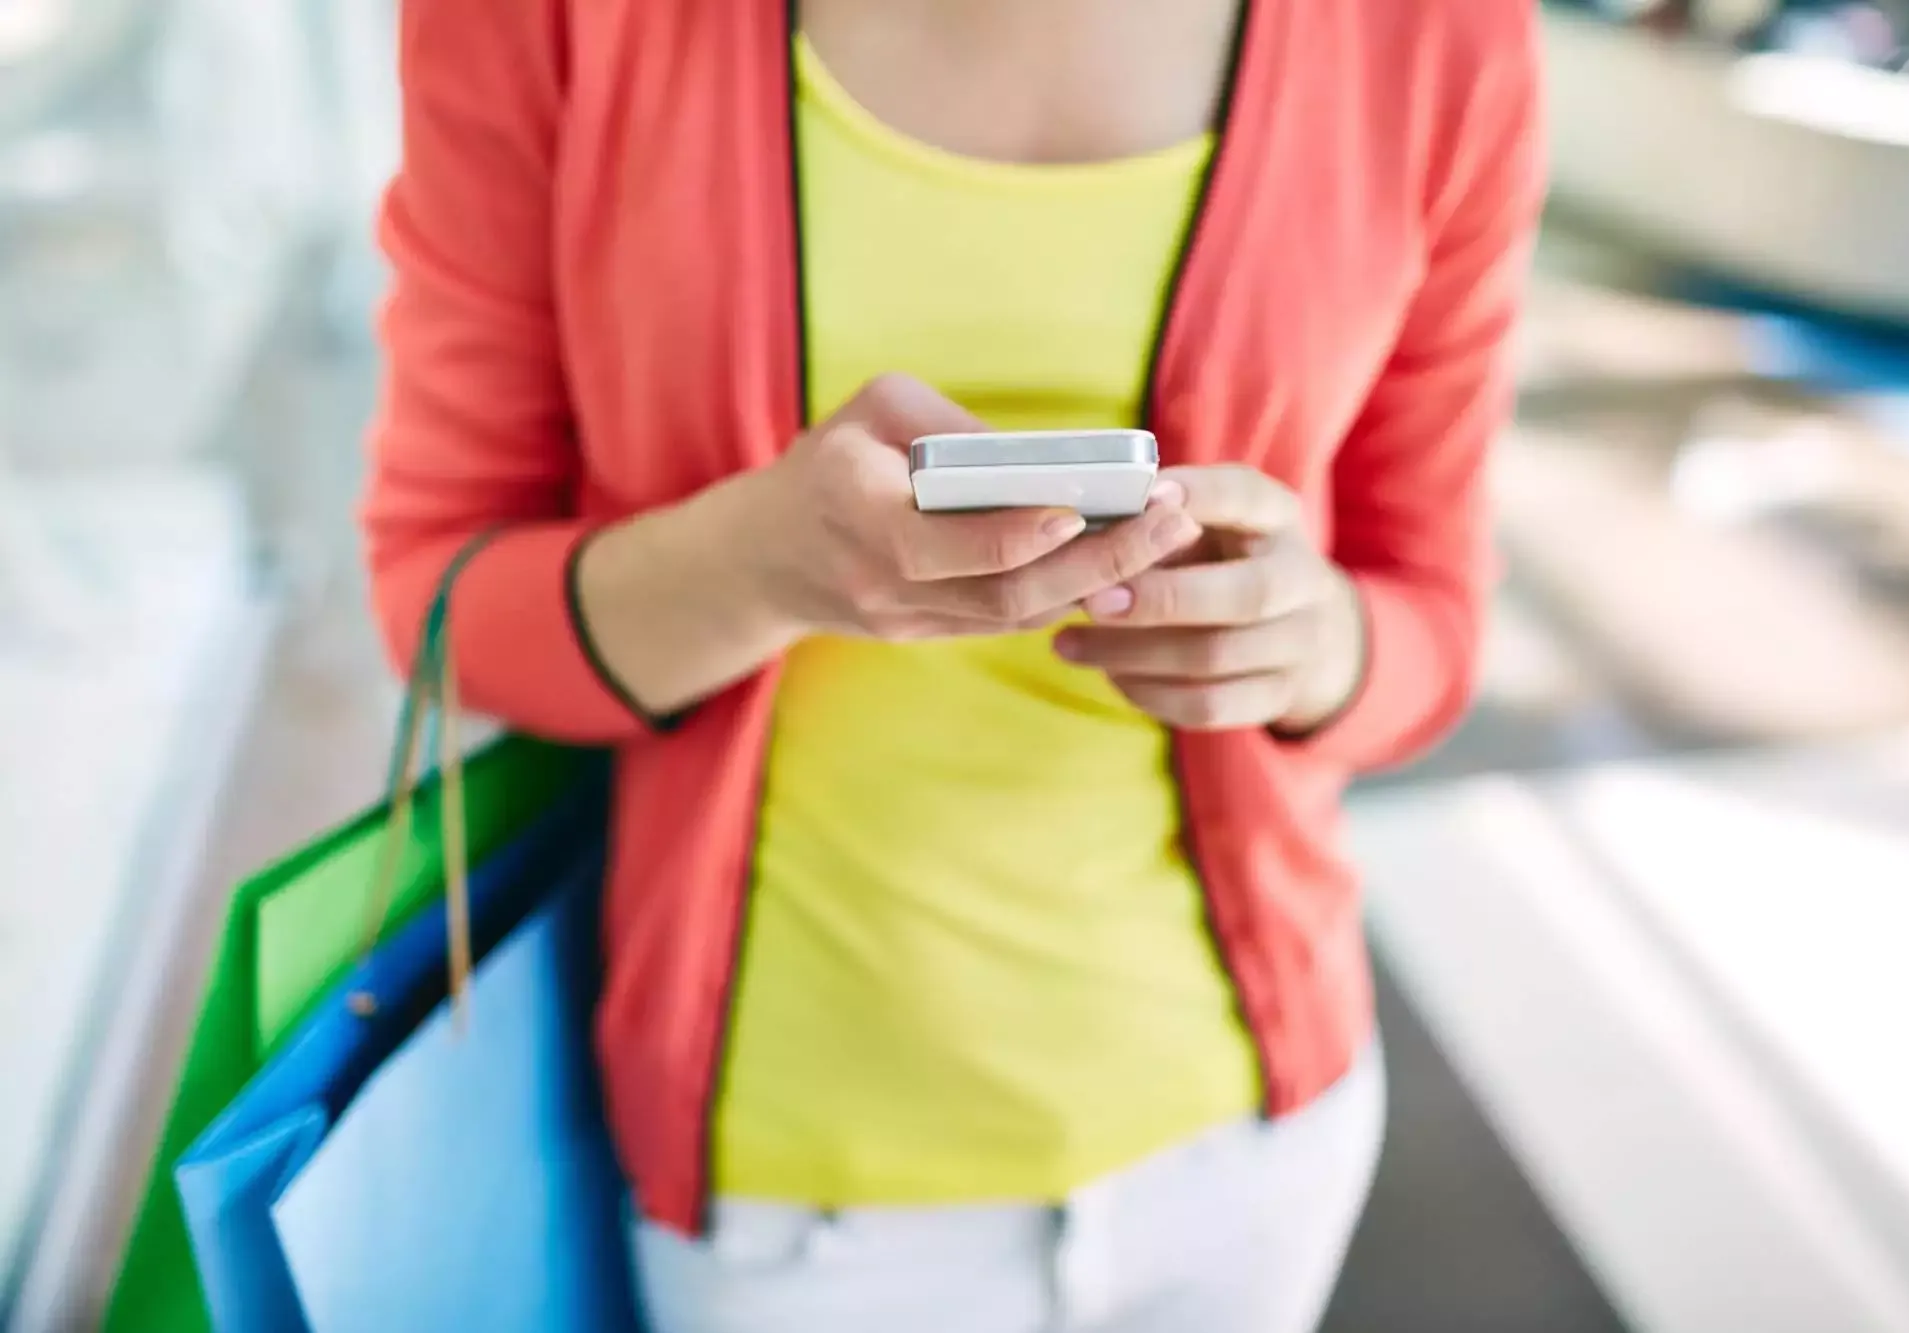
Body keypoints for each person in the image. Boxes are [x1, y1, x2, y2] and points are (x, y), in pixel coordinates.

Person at [362, 0, 1545, 1328]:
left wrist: (1319, 643)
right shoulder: (542, 23)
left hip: (1248, 1144)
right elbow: (440, 596)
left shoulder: (1440, 39)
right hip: (790, 1199)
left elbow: (1432, 612)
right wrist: (751, 565)